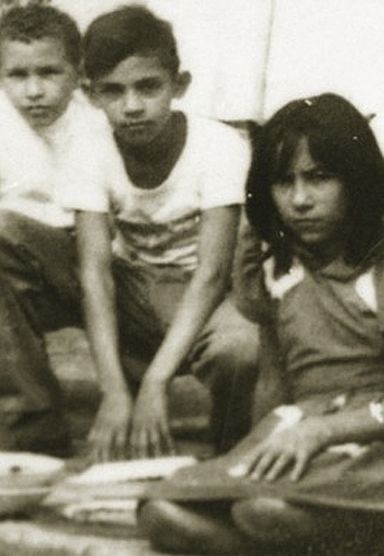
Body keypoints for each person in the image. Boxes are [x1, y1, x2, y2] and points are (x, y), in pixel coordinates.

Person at [0, 5, 258, 457]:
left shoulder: (219, 145)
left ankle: (233, 446)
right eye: (114, 91)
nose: (132, 106)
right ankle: (32, 428)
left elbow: (213, 273)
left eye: (148, 87)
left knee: (241, 348)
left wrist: (156, 385)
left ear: (178, 85)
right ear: (91, 93)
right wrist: (113, 392)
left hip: (198, 295)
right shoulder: (89, 145)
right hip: (130, 291)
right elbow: (95, 272)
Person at [138, 93, 384, 553]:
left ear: (357, 180)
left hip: (369, 435)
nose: (299, 200)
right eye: (282, 182)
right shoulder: (278, 267)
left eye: (319, 178)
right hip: (301, 428)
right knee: (163, 510)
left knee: (265, 510)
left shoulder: (376, 267)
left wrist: (326, 430)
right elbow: (275, 379)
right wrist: (247, 455)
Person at [0, 4, 123, 455]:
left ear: (78, 72)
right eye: (18, 76)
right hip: (11, 249)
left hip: (96, 250)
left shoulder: (97, 119)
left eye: (50, 73)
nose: (34, 91)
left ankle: (125, 383)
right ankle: (30, 415)